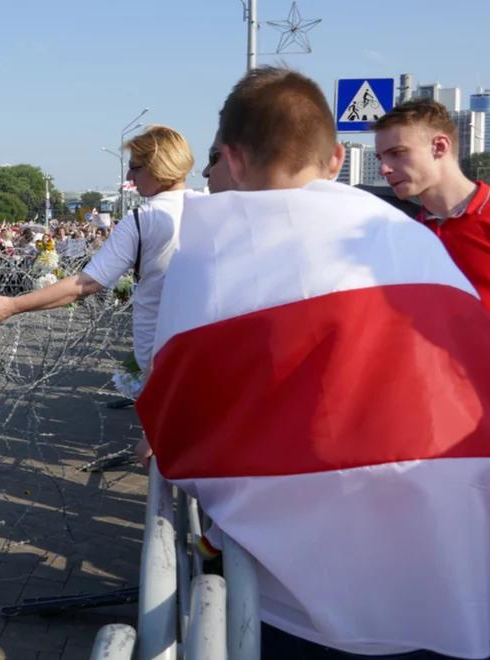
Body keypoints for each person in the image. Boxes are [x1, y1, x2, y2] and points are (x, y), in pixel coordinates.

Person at [141, 66, 490, 658]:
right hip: (449, 573)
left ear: (233, 156)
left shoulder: (213, 256)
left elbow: (176, 432)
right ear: (334, 160)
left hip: (297, 602)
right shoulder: (415, 242)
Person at [0, 124, 197, 387]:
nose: (129, 176)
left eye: (135, 167)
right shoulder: (210, 208)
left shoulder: (142, 219)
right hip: (206, 351)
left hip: (162, 360)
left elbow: (85, 283)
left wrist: (12, 306)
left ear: (158, 166)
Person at [374, 98, 490, 310]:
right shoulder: (406, 234)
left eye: (397, 153)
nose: (384, 169)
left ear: (439, 146)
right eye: (379, 157)